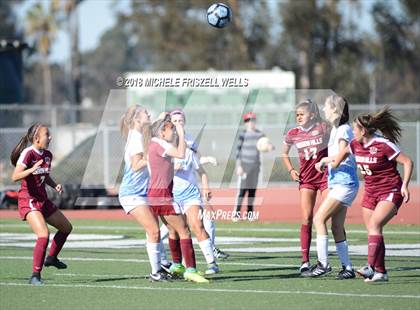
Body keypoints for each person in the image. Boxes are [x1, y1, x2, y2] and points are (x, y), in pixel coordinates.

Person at [330, 107, 413, 282]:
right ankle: (381, 272)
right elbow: (340, 157)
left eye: (355, 129)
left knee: (375, 224)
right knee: (373, 230)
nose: (353, 132)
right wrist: (330, 162)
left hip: (390, 190)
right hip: (370, 192)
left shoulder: (383, 145)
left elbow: (407, 162)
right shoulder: (354, 144)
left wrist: (405, 186)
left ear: (364, 131)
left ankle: (370, 266)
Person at [302, 95, 358, 280]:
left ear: (335, 109)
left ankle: (323, 264)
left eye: (327, 106)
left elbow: (341, 156)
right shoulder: (336, 130)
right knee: (336, 226)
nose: (324, 110)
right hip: (338, 183)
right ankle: (347, 267)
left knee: (318, 219)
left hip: (344, 184)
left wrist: (324, 161)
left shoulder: (343, 130)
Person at [158, 108, 219, 275]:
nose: (177, 128)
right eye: (174, 124)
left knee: (197, 226)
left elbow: (201, 171)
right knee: (175, 230)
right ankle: (179, 264)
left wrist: (205, 187)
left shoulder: (189, 151)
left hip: (190, 194)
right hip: (172, 196)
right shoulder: (163, 150)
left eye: (180, 122)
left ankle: (212, 263)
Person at [148, 114, 208, 283]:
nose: (174, 132)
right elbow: (181, 153)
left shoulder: (154, 143)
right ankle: (190, 270)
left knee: (173, 230)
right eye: (171, 129)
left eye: (175, 129)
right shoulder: (159, 144)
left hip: (156, 195)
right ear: (162, 132)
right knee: (185, 230)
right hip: (163, 196)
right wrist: (182, 133)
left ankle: (177, 265)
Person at [10, 123, 73, 285]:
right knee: (43, 235)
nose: (50, 137)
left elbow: (45, 175)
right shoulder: (28, 154)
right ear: (37, 139)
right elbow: (15, 177)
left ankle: (51, 258)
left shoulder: (47, 155)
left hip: (43, 199)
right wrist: (30, 170)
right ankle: (35, 276)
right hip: (28, 200)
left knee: (66, 228)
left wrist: (54, 184)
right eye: (47, 135)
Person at [118, 105, 170, 282]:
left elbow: (152, 129)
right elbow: (136, 165)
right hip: (132, 193)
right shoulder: (136, 138)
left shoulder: (140, 135)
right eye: (145, 113)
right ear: (136, 120)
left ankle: (163, 265)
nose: (148, 113)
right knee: (154, 231)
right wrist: (153, 157)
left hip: (142, 192)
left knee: (153, 232)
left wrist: (161, 119)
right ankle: (156, 272)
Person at [282, 99, 329, 274]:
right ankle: (305, 261)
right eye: (297, 114)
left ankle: (327, 260)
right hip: (307, 179)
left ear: (312, 114)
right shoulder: (293, 133)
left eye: (302, 114)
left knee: (328, 217)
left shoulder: (324, 127)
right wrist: (291, 170)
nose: (299, 117)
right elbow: (284, 153)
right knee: (306, 218)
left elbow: (341, 142)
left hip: (324, 177)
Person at [233, 112, 273, 222]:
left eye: (252, 120)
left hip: (255, 166)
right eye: (248, 120)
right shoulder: (242, 135)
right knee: (242, 190)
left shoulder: (260, 135)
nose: (250, 122)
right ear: (245, 123)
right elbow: (238, 152)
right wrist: (239, 166)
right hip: (245, 165)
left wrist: (269, 147)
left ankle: (249, 214)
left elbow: (269, 145)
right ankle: (236, 214)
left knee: (252, 191)